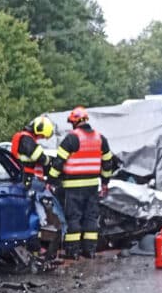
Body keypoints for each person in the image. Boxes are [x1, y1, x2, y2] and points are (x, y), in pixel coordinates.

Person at [48, 106, 115, 259]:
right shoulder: (100, 138)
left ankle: (73, 252)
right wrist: (105, 182)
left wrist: (51, 181)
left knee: (74, 218)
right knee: (90, 218)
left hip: (73, 187)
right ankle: (89, 251)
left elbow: (58, 162)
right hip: (92, 186)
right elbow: (108, 163)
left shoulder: (72, 138)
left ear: (75, 122)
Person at [11, 115, 67, 256]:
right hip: (28, 181)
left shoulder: (25, 138)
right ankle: (59, 239)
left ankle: (35, 245)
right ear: (38, 130)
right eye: (42, 136)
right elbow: (40, 157)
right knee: (46, 208)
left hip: (26, 181)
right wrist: (49, 161)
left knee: (34, 212)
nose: (42, 138)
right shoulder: (26, 139)